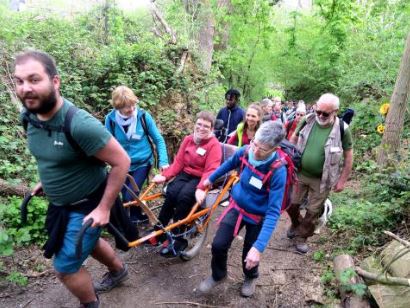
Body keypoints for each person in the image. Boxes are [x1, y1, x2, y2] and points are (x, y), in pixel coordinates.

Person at [14, 50, 131, 308]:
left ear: (55, 81)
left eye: (34, 79)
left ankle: (90, 304)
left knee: (65, 268)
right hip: (61, 203)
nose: (25, 88)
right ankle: (118, 270)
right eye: (19, 81)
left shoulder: (79, 124)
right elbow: (51, 156)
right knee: (89, 244)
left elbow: (122, 161)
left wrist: (103, 208)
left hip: (90, 202)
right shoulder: (29, 118)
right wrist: (48, 180)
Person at [198, 121, 287, 297]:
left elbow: (273, 212)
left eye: (262, 149)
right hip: (236, 207)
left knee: (249, 253)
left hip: (258, 217)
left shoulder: (277, 171)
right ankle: (218, 274)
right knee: (218, 245)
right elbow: (229, 163)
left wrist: (258, 248)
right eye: (255, 143)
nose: (255, 150)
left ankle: (251, 276)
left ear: (274, 149)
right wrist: (210, 179)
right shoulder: (246, 150)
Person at [288, 93, 353, 253]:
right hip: (300, 173)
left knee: (313, 211)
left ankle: (301, 237)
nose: (320, 116)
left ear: (335, 111)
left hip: (323, 179)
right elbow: (293, 139)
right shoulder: (307, 120)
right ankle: (296, 225)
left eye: (325, 113)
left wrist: (342, 181)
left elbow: (348, 156)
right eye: (318, 111)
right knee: (290, 204)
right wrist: (288, 159)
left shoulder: (343, 130)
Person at [152, 111, 222, 257]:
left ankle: (178, 238)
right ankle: (159, 231)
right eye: (199, 124)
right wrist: (165, 176)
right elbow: (178, 163)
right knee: (171, 192)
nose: (201, 128)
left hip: (201, 177)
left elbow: (211, 170)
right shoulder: (188, 139)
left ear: (212, 129)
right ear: (195, 124)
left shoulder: (213, 145)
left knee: (184, 197)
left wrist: (201, 188)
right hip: (185, 174)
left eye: (206, 126)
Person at [105, 86, 169, 224]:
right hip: (121, 164)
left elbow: (158, 139)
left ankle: (132, 220)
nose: (132, 109)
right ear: (118, 107)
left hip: (143, 162)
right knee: (124, 194)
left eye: (133, 104)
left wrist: (164, 162)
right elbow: (107, 144)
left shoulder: (143, 117)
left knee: (130, 195)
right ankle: (136, 216)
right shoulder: (110, 120)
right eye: (127, 107)